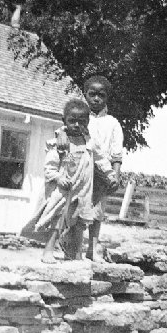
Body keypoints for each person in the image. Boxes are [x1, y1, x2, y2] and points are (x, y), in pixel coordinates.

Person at [31, 99, 117, 263]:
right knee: (57, 217)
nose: (77, 125)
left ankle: (74, 253)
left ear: (88, 122)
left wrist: (110, 173)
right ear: (64, 121)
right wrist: (58, 178)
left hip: (83, 188)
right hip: (65, 187)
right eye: (72, 121)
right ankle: (48, 251)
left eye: (81, 121)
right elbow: (49, 167)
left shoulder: (90, 142)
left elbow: (101, 160)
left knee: (80, 220)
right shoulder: (60, 142)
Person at [83, 75, 124, 261]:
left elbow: (116, 154)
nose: (96, 99)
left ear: (107, 97)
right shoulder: (80, 118)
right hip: (82, 170)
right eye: (92, 94)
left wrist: (114, 175)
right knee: (77, 208)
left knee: (97, 212)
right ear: (85, 95)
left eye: (101, 95)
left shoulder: (113, 124)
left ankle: (92, 250)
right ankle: (72, 248)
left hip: (103, 173)